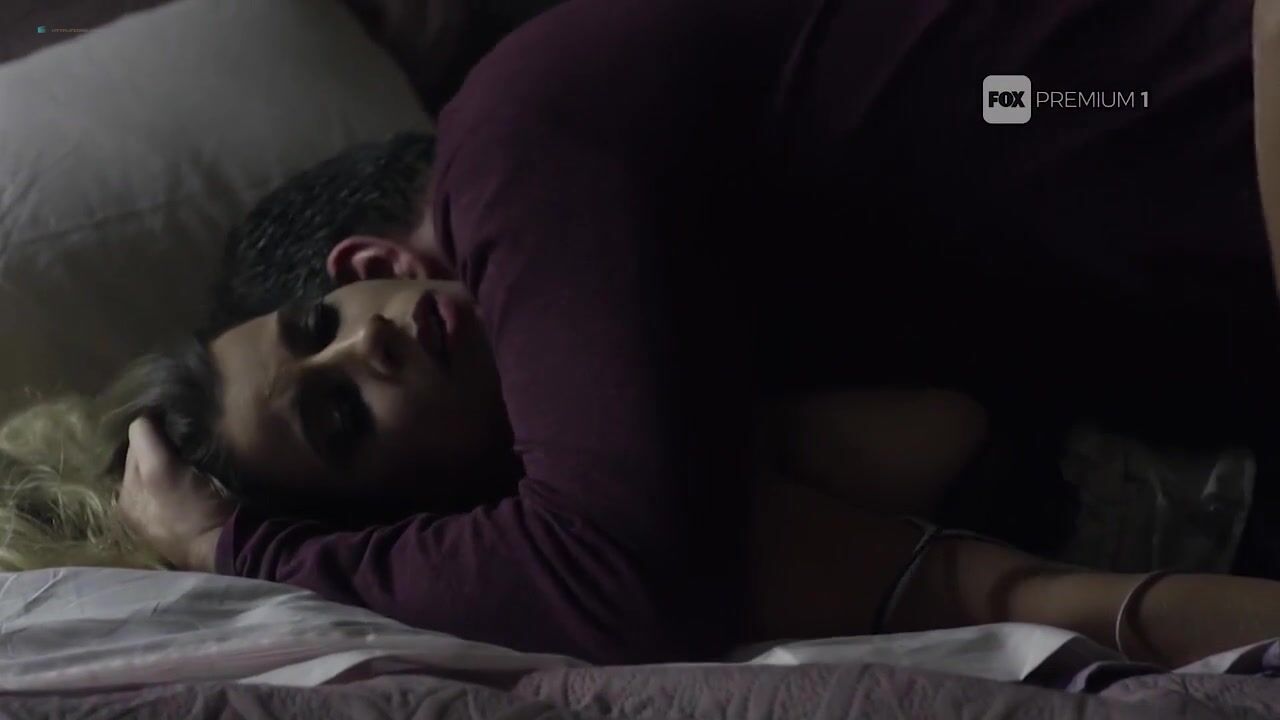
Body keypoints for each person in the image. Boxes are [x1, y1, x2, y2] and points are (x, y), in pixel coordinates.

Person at [19, 0, 1280, 666]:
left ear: (365, 264)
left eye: (315, 329)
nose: (366, 349)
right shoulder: (693, 378)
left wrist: (232, 545)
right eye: (339, 416)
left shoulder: (515, 142)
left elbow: (617, 569)